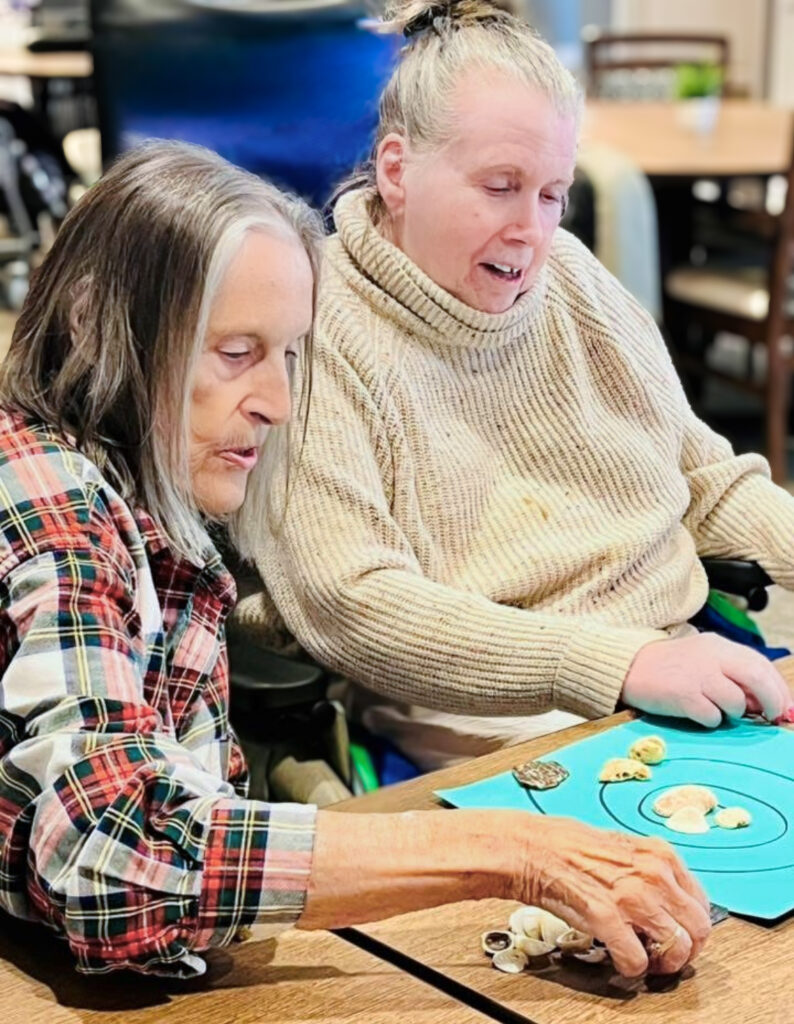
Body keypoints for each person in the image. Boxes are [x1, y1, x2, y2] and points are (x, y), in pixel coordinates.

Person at [0, 142, 710, 979]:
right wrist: (507, 850)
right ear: (94, 323)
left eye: (289, 355)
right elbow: (114, 855)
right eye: (236, 354)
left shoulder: (157, 508)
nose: (278, 402)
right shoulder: (45, 495)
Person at [235, 0, 794, 772]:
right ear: (397, 171)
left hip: (677, 663)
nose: (533, 229)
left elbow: (704, 479)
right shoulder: (318, 327)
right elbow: (349, 602)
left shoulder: (569, 275)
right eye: (500, 186)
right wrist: (614, 664)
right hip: (501, 717)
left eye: (552, 192)